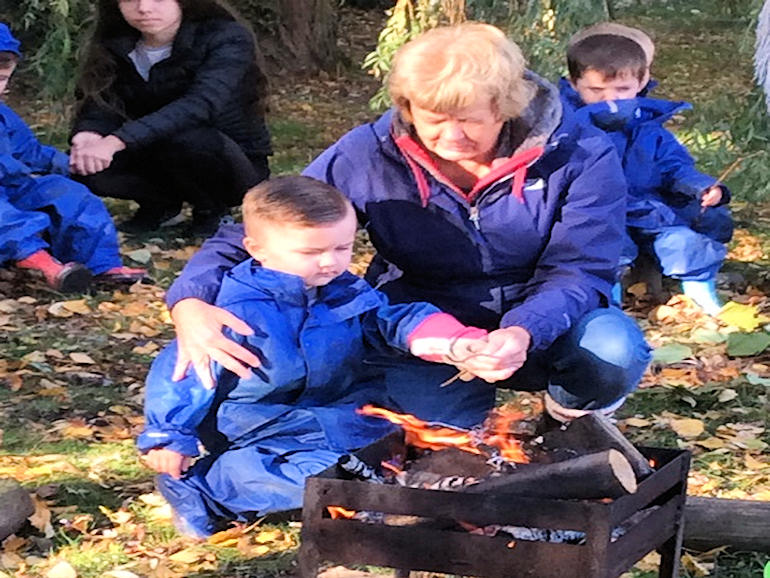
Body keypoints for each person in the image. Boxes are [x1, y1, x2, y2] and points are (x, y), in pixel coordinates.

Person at [165, 23, 652, 428]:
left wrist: (523, 330)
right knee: (429, 436)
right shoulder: (367, 153)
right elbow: (272, 222)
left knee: (612, 350)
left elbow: (579, 268)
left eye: (469, 120)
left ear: (505, 108)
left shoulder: (581, 153)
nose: (452, 136)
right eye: (434, 119)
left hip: (547, 320)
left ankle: (565, 420)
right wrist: (188, 300)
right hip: (423, 323)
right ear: (406, 107)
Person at [138, 175, 494, 537]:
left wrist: (451, 340)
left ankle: (381, 489)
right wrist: (167, 434)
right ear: (256, 249)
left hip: (341, 420)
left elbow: (388, 319)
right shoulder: (234, 312)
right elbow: (182, 373)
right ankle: (206, 491)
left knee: (386, 459)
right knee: (306, 480)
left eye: (342, 248)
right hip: (259, 435)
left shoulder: (343, 291)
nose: (330, 262)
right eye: (311, 252)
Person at [559, 25, 733, 315]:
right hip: (594, 208)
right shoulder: (566, 126)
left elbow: (674, 165)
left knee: (685, 240)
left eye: (622, 89)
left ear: (642, 82)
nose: (609, 99)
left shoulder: (648, 125)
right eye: (596, 90)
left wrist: (701, 187)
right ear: (575, 84)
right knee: (603, 245)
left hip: (647, 205)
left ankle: (701, 289)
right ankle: (606, 302)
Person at [70, 0, 271, 235]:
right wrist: (88, 136)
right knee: (84, 166)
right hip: (156, 151)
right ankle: (161, 206)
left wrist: (116, 141)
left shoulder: (226, 37)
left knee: (188, 139)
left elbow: (200, 105)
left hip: (228, 158)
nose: (144, 7)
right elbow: (102, 101)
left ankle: (212, 209)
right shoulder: (115, 42)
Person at [0, 23, 146, 292]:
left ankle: (101, 265)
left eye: (1, 79)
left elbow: (31, 153)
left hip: (13, 187)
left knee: (69, 195)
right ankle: (39, 263)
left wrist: (73, 165)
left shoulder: (4, 116)